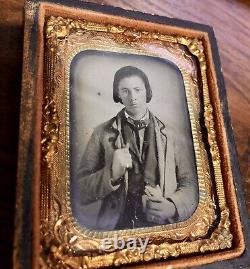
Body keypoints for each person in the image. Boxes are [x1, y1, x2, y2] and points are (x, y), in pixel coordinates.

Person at [75, 66, 198, 231]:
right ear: (117, 94)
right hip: (116, 227)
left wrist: (173, 206)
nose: (133, 97)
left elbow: (191, 184)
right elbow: (79, 192)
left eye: (137, 89)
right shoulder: (101, 133)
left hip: (162, 225)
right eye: (125, 91)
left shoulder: (171, 134)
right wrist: (111, 174)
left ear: (147, 91)